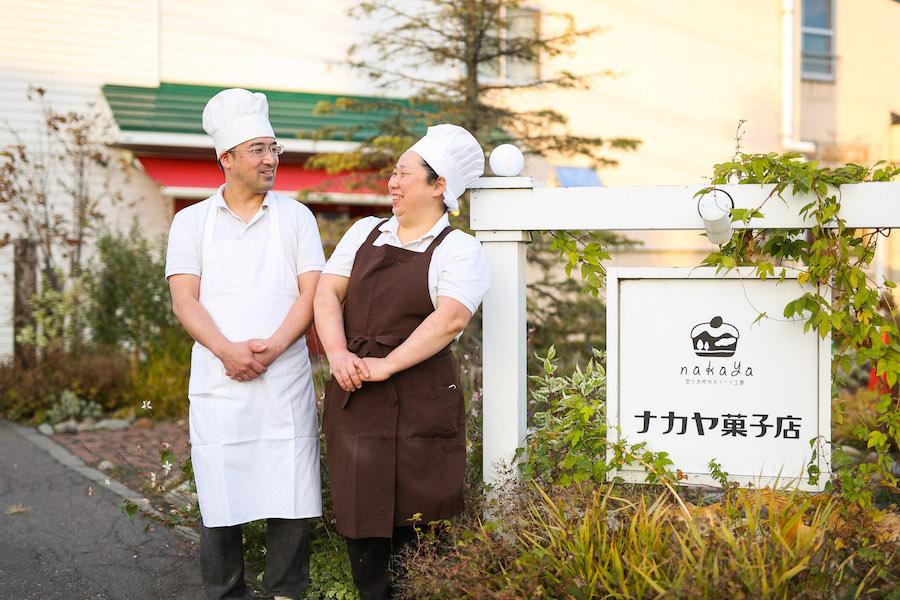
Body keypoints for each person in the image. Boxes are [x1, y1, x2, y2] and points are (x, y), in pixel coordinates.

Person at [313, 124, 490, 599]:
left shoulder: (459, 249)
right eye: (393, 172)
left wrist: (387, 365)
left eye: (404, 174)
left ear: (439, 186)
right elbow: (327, 291)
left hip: (421, 400)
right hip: (356, 393)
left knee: (422, 527)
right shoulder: (363, 232)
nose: (392, 182)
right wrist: (338, 353)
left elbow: (451, 318)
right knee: (363, 529)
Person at [165, 88, 325, 600]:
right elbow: (185, 301)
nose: (271, 158)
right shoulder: (190, 221)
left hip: (284, 378)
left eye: (273, 148)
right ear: (226, 158)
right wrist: (228, 351)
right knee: (221, 493)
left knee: (292, 493)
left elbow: (311, 292)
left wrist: (275, 347)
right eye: (258, 149)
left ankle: (285, 593)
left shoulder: (297, 217)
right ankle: (225, 592)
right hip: (220, 379)